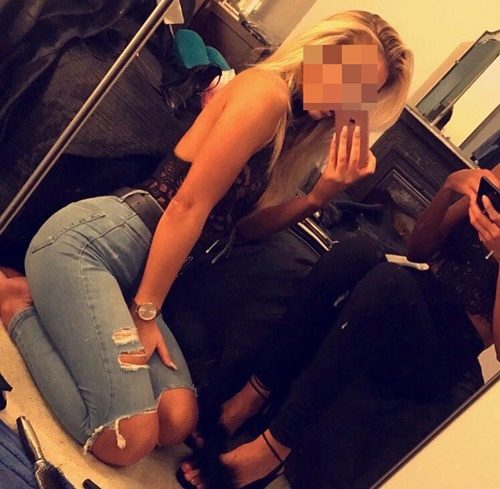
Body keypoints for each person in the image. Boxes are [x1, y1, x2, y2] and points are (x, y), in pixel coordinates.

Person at [0, 9, 412, 468]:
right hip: (96, 246)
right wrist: (145, 313)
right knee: (128, 440)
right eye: (351, 78)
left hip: (133, 273)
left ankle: (53, 303)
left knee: (177, 420)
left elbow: (241, 229)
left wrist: (319, 196)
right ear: (324, 52)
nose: (349, 99)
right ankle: (15, 300)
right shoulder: (266, 94)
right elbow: (187, 206)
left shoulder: (289, 126)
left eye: (364, 92)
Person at [179, 164, 500, 489]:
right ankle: (249, 400)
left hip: (446, 350)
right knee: (357, 252)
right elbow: (419, 251)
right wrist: (449, 188)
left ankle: (272, 450)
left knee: (392, 283)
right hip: (416, 294)